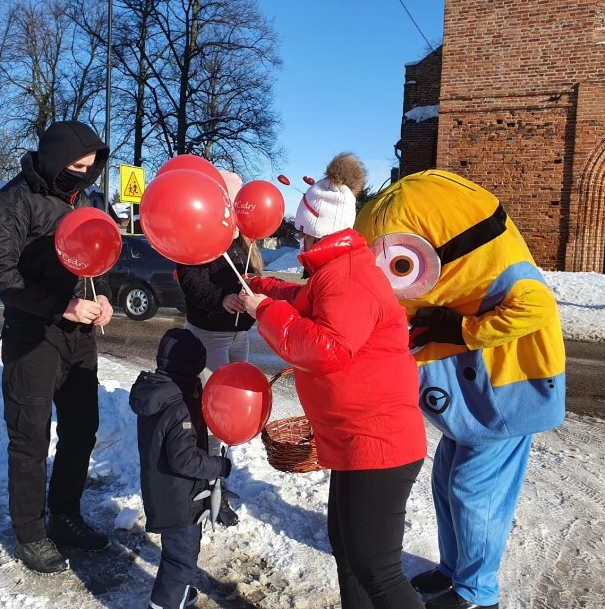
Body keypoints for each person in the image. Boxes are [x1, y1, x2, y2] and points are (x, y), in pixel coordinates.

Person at [354, 169, 566, 609]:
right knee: (447, 482)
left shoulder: (507, 277)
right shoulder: (450, 294)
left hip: (506, 402)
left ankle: (477, 591)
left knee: (474, 490)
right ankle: (454, 570)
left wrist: (464, 329)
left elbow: (536, 306)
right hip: (470, 411)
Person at [240, 153, 428, 609]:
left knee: (376, 570)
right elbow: (304, 298)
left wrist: (263, 312)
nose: (296, 231)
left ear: (313, 225)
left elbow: (326, 349)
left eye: (301, 223)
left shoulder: (346, 277)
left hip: (377, 443)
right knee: (348, 553)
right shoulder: (334, 270)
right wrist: (262, 288)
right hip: (353, 442)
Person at [0, 120, 114, 575]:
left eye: (90, 168)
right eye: (76, 166)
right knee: (30, 438)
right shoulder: (13, 202)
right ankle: (30, 534)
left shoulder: (86, 199)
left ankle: (66, 515)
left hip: (78, 337)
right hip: (31, 337)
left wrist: (102, 295)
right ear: (54, 158)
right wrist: (63, 306)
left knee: (81, 430)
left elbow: (99, 253)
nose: (83, 175)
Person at [174, 169, 263, 526]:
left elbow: (251, 279)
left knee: (232, 413)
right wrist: (221, 299)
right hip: (209, 334)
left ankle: (219, 478)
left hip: (240, 335)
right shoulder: (196, 233)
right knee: (213, 413)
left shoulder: (243, 239)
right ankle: (206, 484)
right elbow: (192, 285)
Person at [129, 328, 232, 609]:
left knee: (177, 551)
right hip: (178, 498)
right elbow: (184, 459)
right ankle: (165, 602)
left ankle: (179, 594)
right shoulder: (179, 406)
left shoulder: (158, 394)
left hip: (164, 489)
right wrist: (219, 466)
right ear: (191, 367)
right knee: (182, 559)